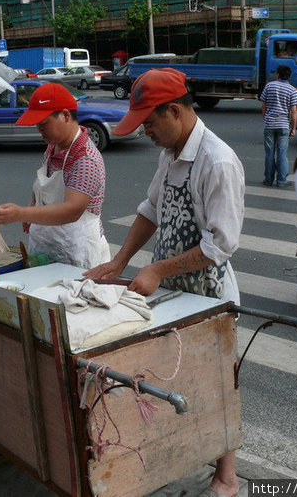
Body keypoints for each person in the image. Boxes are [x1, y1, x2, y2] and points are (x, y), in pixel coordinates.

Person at [83, 68, 244, 497]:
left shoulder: (217, 161)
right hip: (175, 293)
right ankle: (182, 453)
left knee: (218, 384)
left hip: (209, 296)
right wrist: (119, 261)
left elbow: (221, 244)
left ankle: (226, 477)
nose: (146, 133)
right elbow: (151, 209)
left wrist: (155, 270)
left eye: (149, 123)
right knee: (175, 380)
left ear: (174, 110)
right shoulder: (170, 153)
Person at [0, 82, 110, 268]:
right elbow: (42, 186)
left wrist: (20, 213)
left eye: (44, 124)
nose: (39, 130)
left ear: (66, 115)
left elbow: (72, 210)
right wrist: (32, 207)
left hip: (77, 250)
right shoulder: (54, 145)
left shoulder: (85, 158)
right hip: (46, 243)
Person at [259, 65, 297, 187]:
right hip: (283, 125)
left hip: (269, 124)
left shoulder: (269, 86)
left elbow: (263, 106)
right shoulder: (292, 90)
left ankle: (268, 179)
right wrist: (293, 128)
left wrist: (266, 119)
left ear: (278, 75)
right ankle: (281, 181)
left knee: (269, 153)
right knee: (282, 153)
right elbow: (294, 112)